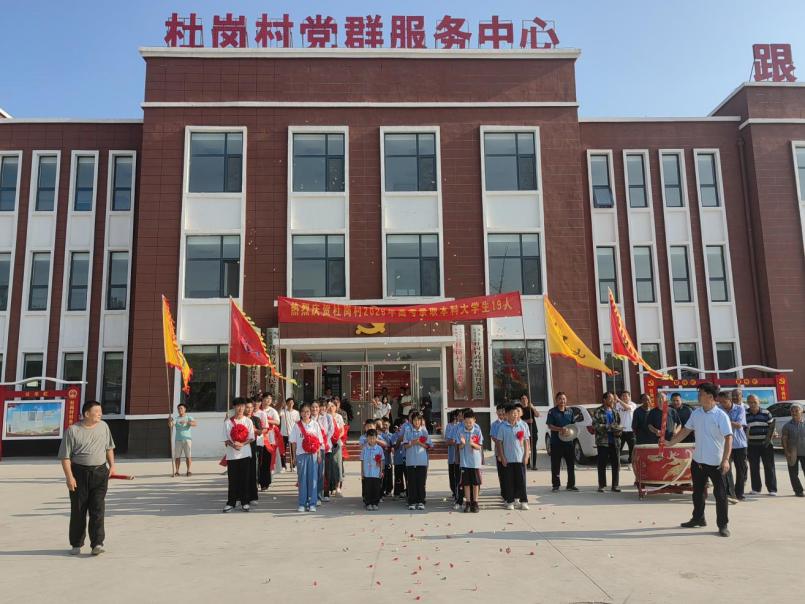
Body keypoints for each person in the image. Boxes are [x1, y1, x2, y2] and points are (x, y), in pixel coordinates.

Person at [666, 382, 733, 537]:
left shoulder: (720, 415)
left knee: (720, 495)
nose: (698, 396)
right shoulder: (696, 413)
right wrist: (670, 443)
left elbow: (729, 438)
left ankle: (723, 525)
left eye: (701, 393)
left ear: (710, 396)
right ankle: (698, 519)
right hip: (698, 461)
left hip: (716, 462)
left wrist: (726, 460)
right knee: (697, 493)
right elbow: (685, 430)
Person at [58, 400, 116, 556]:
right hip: (79, 473)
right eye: (97, 412)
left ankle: (97, 543)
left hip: (100, 473)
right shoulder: (73, 430)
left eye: (100, 411)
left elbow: (109, 447)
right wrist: (69, 477)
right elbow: (65, 457)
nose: (100, 414)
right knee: (79, 510)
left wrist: (112, 466)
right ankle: (76, 543)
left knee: (98, 509)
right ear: (86, 414)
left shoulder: (104, 426)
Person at [222, 398, 256, 513]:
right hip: (232, 455)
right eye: (238, 406)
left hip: (245, 454)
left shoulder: (248, 421)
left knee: (245, 479)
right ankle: (231, 502)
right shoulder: (228, 422)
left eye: (242, 406)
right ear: (234, 407)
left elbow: (251, 437)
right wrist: (233, 445)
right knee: (232, 480)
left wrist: (242, 444)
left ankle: (245, 502)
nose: (240, 408)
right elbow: (225, 439)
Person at [289, 403, 322, 512]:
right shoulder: (296, 426)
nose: (305, 414)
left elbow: (318, 441)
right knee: (302, 480)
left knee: (313, 479)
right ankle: (302, 503)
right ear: (300, 413)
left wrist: (319, 455)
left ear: (310, 413)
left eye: (307, 411)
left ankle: (312, 503)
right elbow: (293, 442)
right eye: (303, 411)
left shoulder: (315, 424)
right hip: (301, 455)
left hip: (313, 455)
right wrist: (294, 457)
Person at [497, 404, 530, 510]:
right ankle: (510, 501)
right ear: (507, 415)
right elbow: (499, 443)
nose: (515, 415)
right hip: (508, 459)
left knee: (521, 481)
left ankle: (524, 501)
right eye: (512, 413)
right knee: (509, 481)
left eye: (516, 413)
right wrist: (502, 457)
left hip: (520, 459)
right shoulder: (502, 427)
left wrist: (526, 456)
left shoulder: (522, 425)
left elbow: (526, 442)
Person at [745, 394, 777, 495]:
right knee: (754, 467)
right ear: (747, 403)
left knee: (769, 467)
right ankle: (756, 488)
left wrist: (774, 433)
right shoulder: (745, 414)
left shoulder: (766, 413)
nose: (753, 404)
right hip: (751, 445)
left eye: (755, 402)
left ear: (759, 402)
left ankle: (772, 489)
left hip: (766, 444)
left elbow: (772, 427)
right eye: (750, 402)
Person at [720, 389, 748, 501]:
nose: (722, 404)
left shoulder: (740, 409)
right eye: (720, 402)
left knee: (741, 470)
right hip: (725, 445)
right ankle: (729, 493)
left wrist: (724, 422)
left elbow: (739, 425)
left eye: (724, 402)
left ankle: (739, 493)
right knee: (726, 469)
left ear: (730, 400)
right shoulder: (719, 409)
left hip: (739, 444)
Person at [546, 392, 577, 492]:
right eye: (560, 398)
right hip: (556, 443)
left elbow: (573, 425)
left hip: (568, 442)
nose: (562, 401)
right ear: (556, 400)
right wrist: (560, 429)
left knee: (571, 464)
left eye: (564, 399)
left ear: (566, 400)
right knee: (556, 465)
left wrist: (570, 432)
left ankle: (571, 485)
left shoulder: (570, 411)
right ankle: (556, 485)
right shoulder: (552, 412)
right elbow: (550, 426)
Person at [593, 392, 623, 493]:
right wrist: (608, 427)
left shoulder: (615, 411)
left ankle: (615, 485)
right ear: (604, 400)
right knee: (602, 464)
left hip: (615, 441)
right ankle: (601, 485)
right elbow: (595, 425)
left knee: (616, 464)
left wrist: (618, 430)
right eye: (610, 398)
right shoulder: (598, 411)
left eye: (613, 399)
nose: (612, 400)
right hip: (603, 442)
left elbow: (618, 424)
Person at [402, 411, 432, 510]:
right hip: (410, 461)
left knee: (421, 482)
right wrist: (413, 442)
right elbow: (405, 445)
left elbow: (428, 446)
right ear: (412, 421)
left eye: (419, 420)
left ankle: (421, 501)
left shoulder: (424, 431)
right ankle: (412, 501)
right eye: (415, 420)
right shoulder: (407, 431)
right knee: (411, 482)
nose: (417, 422)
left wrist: (419, 443)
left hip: (421, 461)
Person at [456, 409, 483, 513]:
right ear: (463, 421)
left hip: (475, 463)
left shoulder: (477, 430)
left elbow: (479, 447)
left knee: (475, 484)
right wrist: (462, 443)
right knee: (466, 484)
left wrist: (472, 444)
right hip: (465, 462)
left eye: (470, 422)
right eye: (466, 422)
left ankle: (475, 503)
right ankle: (467, 503)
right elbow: (459, 447)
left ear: (474, 420)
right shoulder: (460, 431)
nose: (468, 424)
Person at [782, 403, 805, 497]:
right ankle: (798, 490)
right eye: (792, 411)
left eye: (796, 411)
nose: (794, 413)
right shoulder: (787, 425)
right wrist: (786, 451)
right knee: (793, 473)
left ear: (802, 411)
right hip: (792, 452)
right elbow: (784, 439)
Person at [313, 400, 333, 503]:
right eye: (321, 406)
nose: (323, 408)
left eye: (325, 406)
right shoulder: (314, 418)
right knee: (317, 471)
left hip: (326, 447)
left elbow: (331, 430)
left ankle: (326, 493)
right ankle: (316, 493)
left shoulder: (328, 417)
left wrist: (325, 439)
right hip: (315, 448)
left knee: (326, 471)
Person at [169, 403, 196, 477]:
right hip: (178, 440)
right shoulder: (176, 419)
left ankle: (188, 471)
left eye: (181, 408)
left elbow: (195, 424)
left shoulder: (189, 417)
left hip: (187, 439)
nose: (180, 410)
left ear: (185, 409)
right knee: (177, 456)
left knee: (188, 456)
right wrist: (169, 420)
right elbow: (170, 425)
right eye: (178, 408)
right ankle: (177, 471)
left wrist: (187, 422)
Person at [361, 429, 385, 510]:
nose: (371, 440)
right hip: (367, 473)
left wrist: (381, 471)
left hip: (376, 473)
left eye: (373, 438)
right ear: (367, 438)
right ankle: (368, 503)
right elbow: (362, 460)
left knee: (376, 488)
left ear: (376, 438)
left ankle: (375, 503)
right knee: (367, 489)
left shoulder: (379, 449)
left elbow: (381, 460)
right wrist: (362, 472)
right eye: (370, 438)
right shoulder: (364, 449)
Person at [445, 409, 464, 510]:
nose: (459, 418)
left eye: (461, 416)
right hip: (455, 457)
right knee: (456, 478)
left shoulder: (474, 427)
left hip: (468, 459)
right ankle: (457, 497)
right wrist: (456, 442)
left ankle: (469, 499)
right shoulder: (453, 427)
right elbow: (449, 441)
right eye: (458, 416)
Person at [244, 401, 261, 506]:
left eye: (251, 407)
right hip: (241, 449)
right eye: (247, 407)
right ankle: (241, 496)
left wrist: (253, 429)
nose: (249, 409)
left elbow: (260, 432)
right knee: (242, 473)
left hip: (252, 448)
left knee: (252, 473)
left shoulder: (256, 419)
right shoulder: (240, 419)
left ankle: (253, 496)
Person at [490, 404, 508, 498]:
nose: (501, 412)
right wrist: (500, 443)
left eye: (503, 410)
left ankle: (509, 491)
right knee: (501, 472)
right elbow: (493, 437)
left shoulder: (508, 423)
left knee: (508, 472)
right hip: (498, 450)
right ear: (496, 412)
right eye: (499, 411)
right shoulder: (494, 424)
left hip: (509, 450)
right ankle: (504, 491)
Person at [519, 394, 541, 471]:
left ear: (528, 400)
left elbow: (538, 415)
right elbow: (518, 420)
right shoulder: (519, 409)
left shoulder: (531, 408)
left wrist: (533, 407)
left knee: (533, 448)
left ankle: (534, 465)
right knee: (525, 447)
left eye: (525, 398)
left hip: (533, 430)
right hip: (523, 432)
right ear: (520, 400)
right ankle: (527, 464)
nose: (524, 400)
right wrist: (527, 421)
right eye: (522, 398)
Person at [328, 402, 345, 497]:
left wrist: (336, 437)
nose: (331, 408)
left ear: (336, 407)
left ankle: (338, 486)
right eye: (329, 406)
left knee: (337, 463)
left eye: (333, 406)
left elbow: (342, 430)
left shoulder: (339, 417)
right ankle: (330, 487)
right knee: (329, 464)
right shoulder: (325, 417)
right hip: (327, 442)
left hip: (336, 442)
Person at [616, 391, 636, 465]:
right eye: (623, 396)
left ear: (629, 397)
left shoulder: (633, 404)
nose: (624, 397)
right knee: (618, 448)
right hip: (621, 431)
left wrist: (618, 400)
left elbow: (627, 408)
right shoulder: (617, 405)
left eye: (626, 396)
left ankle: (631, 463)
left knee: (632, 448)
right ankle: (616, 463)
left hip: (630, 431)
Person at [280, 397, 300, 471]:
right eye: (289, 403)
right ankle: (283, 465)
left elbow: (298, 423)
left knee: (293, 450)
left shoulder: (296, 412)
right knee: (283, 450)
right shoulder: (283, 411)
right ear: (287, 403)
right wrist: (281, 406)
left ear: (293, 403)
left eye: (292, 402)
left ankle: (294, 465)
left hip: (293, 434)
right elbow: (279, 414)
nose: (290, 404)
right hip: (284, 433)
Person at [391, 417, 408, 498]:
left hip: (407, 460)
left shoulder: (408, 434)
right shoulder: (394, 435)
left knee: (407, 477)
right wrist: (400, 439)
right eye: (402, 425)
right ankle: (398, 492)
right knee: (398, 477)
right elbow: (395, 446)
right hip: (398, 460)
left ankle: (407, 492)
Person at [379, 418, 394, 497]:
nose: (385, 426)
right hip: (381, 459)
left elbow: (393, 446)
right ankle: (382, 490)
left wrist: (390, 448)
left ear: (389, 425)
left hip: (388, 458)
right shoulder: (379, 435)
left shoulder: (391, 435)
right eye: (383, 425)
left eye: (386, 425)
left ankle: (389, 490)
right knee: (383, 476)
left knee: (389, 475)